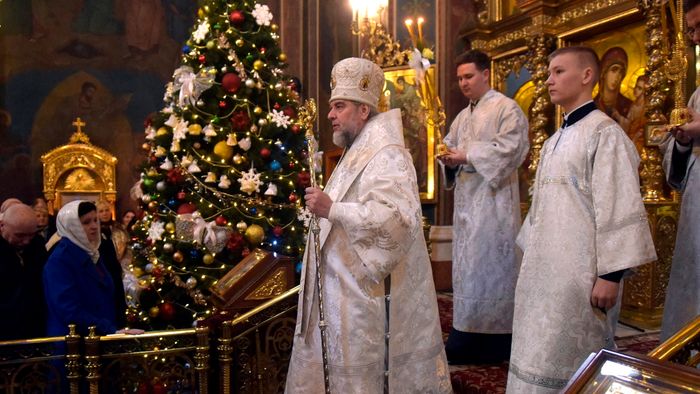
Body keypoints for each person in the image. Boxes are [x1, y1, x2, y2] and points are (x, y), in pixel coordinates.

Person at [285, 57, 451, 393]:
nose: (331, 114)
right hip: (343, 298)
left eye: (340, 106)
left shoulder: (387, 153)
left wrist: (333, 209)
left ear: (364, 110)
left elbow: (397, 220)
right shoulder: (356, 150)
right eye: (332, 106)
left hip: (365, 302)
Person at [506, 47, 656, 393]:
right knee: (535, 356)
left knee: (576, 363)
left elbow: (618, 203)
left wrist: (610, 274)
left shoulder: (605, 133)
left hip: (581, 277)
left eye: (558, 71)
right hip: (544, 275)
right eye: (548, 73)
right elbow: (542, 210)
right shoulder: (555, 139)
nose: (548, 80)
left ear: (587, 75)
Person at [438, 49, 529, 364]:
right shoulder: (462, 116)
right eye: (460, 78)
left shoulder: (507, 108)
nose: (463, 83)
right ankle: (466, 333)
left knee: (491, 271)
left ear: (486, 73)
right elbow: (450, 148)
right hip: (465, 209)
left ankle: (497, 341)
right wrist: (447, 158)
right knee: (468, 272)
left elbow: (512, 149)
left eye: (469, 76)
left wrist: (466, 155)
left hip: (494, 208)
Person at [660, 0, 700, 341]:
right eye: (690, 31)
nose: (695, 38)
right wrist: (684, 139)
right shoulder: (698, 92)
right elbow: (681, 159)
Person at [43, 200, 141, 336]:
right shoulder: (60, 260)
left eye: (96, 220)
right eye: (86, 222)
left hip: (99, 336)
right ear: (72, 226)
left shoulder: (92, 252)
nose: (94, 226)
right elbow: (69, 310)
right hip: (75, 342)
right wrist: (108, 329)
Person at [0, 204, 48, 340]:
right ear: (2, 226)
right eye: (19, 235)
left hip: (35, 325)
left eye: (31, 235)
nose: (26, 241)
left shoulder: (37, 244)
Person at [95, 200, 128, 327]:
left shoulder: (119, 228)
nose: (105, 213)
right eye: (101, 211)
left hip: (123, 265)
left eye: (107, 210)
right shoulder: (95, 232)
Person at [593, 47, 633, 127]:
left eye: (620, 72)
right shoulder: (592, 107)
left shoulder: (629, 106)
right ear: (604, 73)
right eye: (614, 70)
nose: (617, 77)